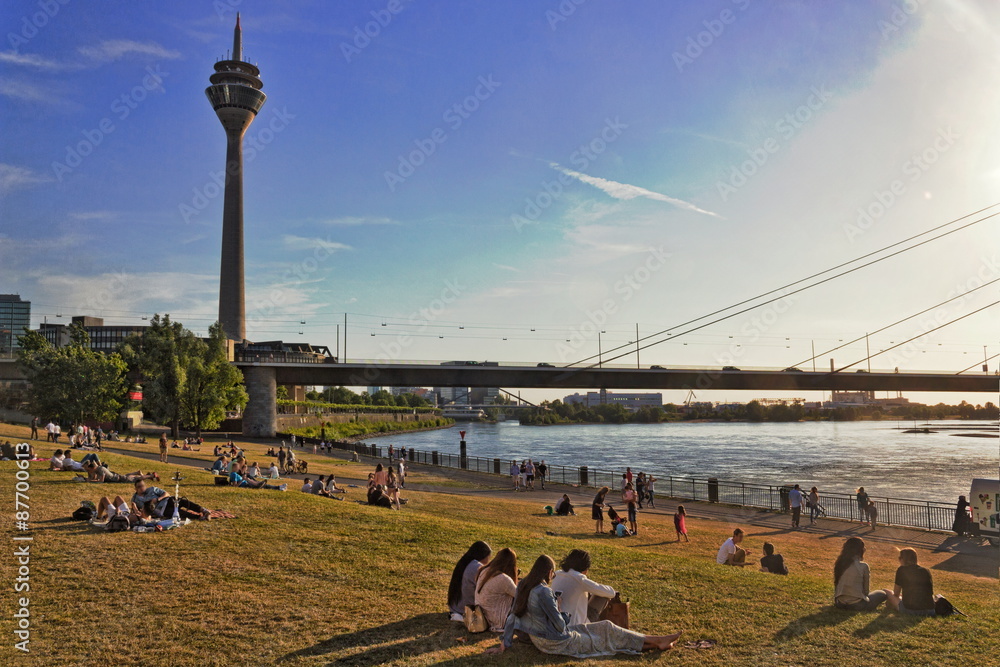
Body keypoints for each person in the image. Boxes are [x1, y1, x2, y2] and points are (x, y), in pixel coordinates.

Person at [486, 554, 681, 657]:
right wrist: (559, 607)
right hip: (557, 642)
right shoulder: (544, 592)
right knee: (606, 638)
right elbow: (560, 626)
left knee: (606, 628)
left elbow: (512, 616)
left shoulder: (523, 584)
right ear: (549, 572)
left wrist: (505, 645)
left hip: (541, 640)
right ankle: (656, 642)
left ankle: (656, 641)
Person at [550, 549, 617, 627]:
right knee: (602, 596)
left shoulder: (557, 574)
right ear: (585, 567)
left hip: (555, 620)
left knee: (583, 594)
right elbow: (611, 593)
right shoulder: (580, 579)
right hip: (575, 625)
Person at [834, 537, 889, 611]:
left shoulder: (840, 564)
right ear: (861, 550)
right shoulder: (863, 566)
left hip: (840, 603)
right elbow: (866, 590)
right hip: (857, 604)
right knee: (882, 593)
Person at [475, 547, 518, 632]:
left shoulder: (484, 570)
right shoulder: (503, 579)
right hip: (497, 622)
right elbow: (520, 596)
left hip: (481, 616)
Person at [448, 541, 492, 621]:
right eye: (489, 557)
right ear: (484, 556)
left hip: (455, 606)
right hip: (465, 609)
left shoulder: (465, 563)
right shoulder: (477, 567)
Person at [887, 548, 936, 616]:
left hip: (911, 610)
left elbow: (896, 594)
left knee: (887, 592)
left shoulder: (902, 570)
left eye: (899, 558)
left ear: (903, 559)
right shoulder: (925, 570)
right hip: (930, 610)